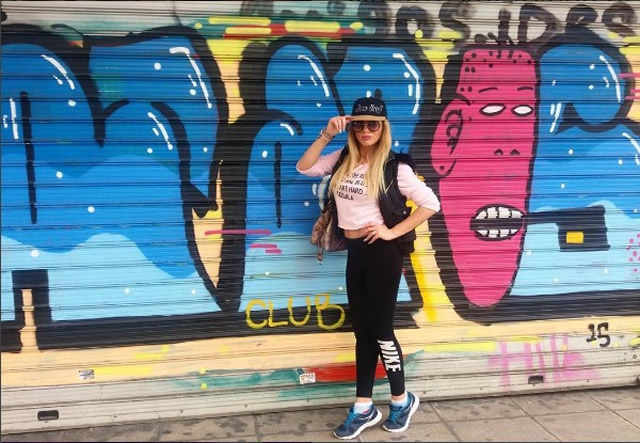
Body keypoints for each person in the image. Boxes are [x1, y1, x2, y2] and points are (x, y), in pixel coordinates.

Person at [296, 97, 440, 440]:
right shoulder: (344, 158)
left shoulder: (395, 167)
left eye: (372, 124)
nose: (365, 130)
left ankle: (401, 400)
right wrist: (326, 134)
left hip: (382, 254)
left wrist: (392, 232)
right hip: (356, 252)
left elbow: (430, 203)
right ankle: (363, 406)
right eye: (359, 124)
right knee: (363, 331)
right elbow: (305, 167)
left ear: (383, 127)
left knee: (381, 331)